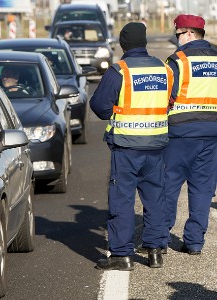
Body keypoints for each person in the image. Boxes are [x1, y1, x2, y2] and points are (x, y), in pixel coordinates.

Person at [89, 22, 173, 270]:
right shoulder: (164, 70)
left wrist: (116, 109)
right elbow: (171, 99)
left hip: (126, 147)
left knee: (122, 200)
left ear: (123, 44)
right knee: (155, 198)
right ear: (145, 42)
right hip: (156, 146)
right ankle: (155, 250)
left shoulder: (120, 71)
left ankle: (121, 255)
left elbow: (100, 107)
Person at [161, 14, 217, 255]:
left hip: (180, 134)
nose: (177, 40)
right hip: (212, 134)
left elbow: (165, 96)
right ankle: (194, 242)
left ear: (190, 34)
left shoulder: (177, 61)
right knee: (203, 189)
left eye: (178, 34)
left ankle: (160, 238)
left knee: (168, 186)